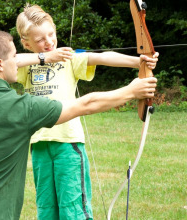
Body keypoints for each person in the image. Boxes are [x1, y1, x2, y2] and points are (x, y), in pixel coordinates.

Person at [0, 30, 157, 220]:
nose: (19, 61)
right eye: (14, 56)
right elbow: (86, 104)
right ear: (1, 64)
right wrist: (132, 90)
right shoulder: (22, 108)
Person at [16, 4, 159, 219]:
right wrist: (44, 57)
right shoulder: (27, 65)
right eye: (39, 40)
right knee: (46, 209)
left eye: (51, 34)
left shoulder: (68, 57)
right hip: (39, 145)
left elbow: (101, 57)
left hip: (68, 143)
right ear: (26, 43)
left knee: (73, 208)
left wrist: (138, 61)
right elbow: (7, 61)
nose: (48, 42)